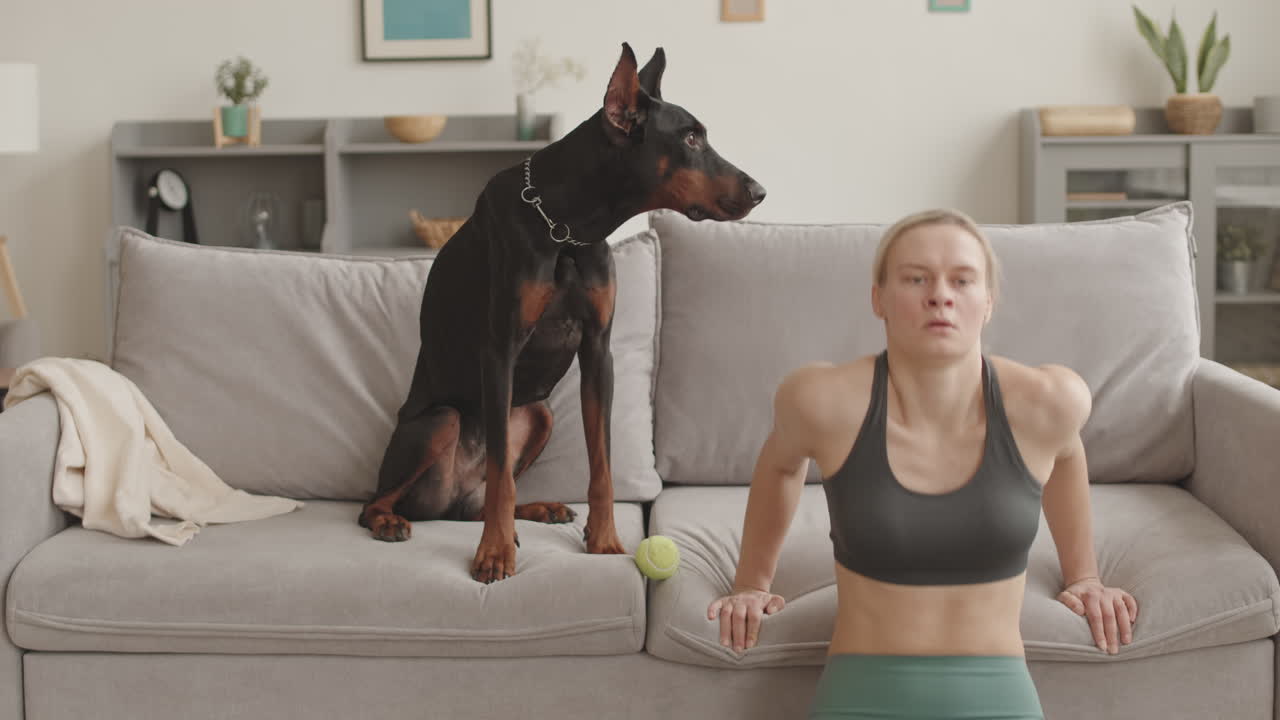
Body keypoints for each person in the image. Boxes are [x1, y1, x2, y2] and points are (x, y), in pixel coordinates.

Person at [706, 209, 1139, 720]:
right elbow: (780, 465)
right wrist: (753, 583)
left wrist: (1083, 574)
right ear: (879, 299)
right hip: (860, 693)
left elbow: (1065, 452)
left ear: (988, 302)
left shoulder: (1049, 400)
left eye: (961, 279)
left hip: (994, 693)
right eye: (916, 278)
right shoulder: (821, 400)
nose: (940, 295)